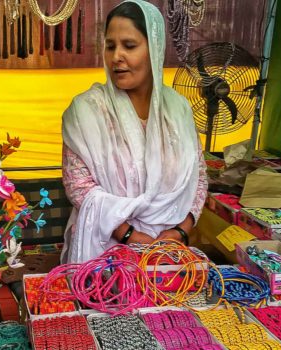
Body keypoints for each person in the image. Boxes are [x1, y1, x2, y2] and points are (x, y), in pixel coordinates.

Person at [61, 0, 207, 263]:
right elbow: (79, 187)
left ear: (155, 49)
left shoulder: (178, 110)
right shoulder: (86, 111)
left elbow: (198, 178)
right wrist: (129, 235)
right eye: (110, 46)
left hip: (168, 252)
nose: (116, 56)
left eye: (129, 46)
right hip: (105, 250)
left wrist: (179, 233)